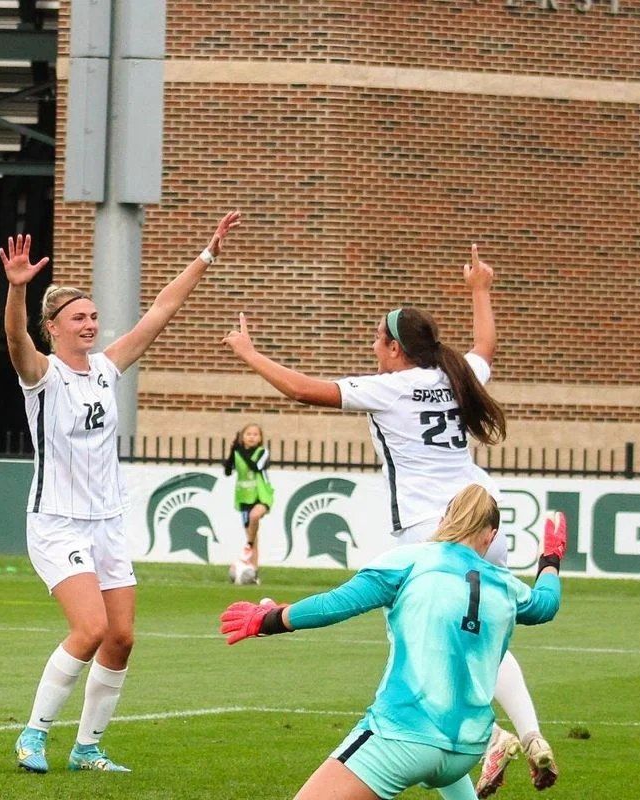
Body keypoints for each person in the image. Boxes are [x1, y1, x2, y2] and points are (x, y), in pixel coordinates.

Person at [221, 246, 557, 795]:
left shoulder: (391, 387)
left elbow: (303, 389)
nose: (372, 349)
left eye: (377, 340)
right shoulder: (457, 375)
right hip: (485, 518)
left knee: (417, 656)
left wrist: (248, 353)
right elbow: (486, 347)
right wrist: (480, 289)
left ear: (395, 349)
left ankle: (491, 731)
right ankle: (511, 730)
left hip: (431, 531)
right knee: (474, 636)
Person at [2, 211, 242, 774]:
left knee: (123, 638)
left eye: (93, 316)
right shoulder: (42, 375)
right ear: (53, 327)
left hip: (107, 521)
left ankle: (87, 748)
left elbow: (161, 309)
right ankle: (33, 735)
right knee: (90, 629)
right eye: (78, 318)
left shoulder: (107, 369)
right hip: (57, 521)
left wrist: (206, 256)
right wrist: (17, 291)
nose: (90, 324)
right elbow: (15, 338)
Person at [219, 485, 567, 800]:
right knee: (438, 744)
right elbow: (545, 605)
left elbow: (335, 604)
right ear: (490, 536)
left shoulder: (410, 560)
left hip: (403, 736)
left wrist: (268, 619)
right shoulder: (507, 586)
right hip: (466, 750)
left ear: (446, 519)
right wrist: (550, 560)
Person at [221, 423, 274, 571]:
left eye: (255, 434)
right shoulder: (238, 453)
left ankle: (248, 545)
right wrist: (233, 451)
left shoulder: (262, 452)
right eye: (248, 434)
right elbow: (227, 470)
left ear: (260, 438)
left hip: (262, 494)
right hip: (244, 497)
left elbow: (255, 466)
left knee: (255, 516)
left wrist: (241, 450)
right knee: (253, 535)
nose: (251, 437)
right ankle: (253, 570)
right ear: (242, 437)